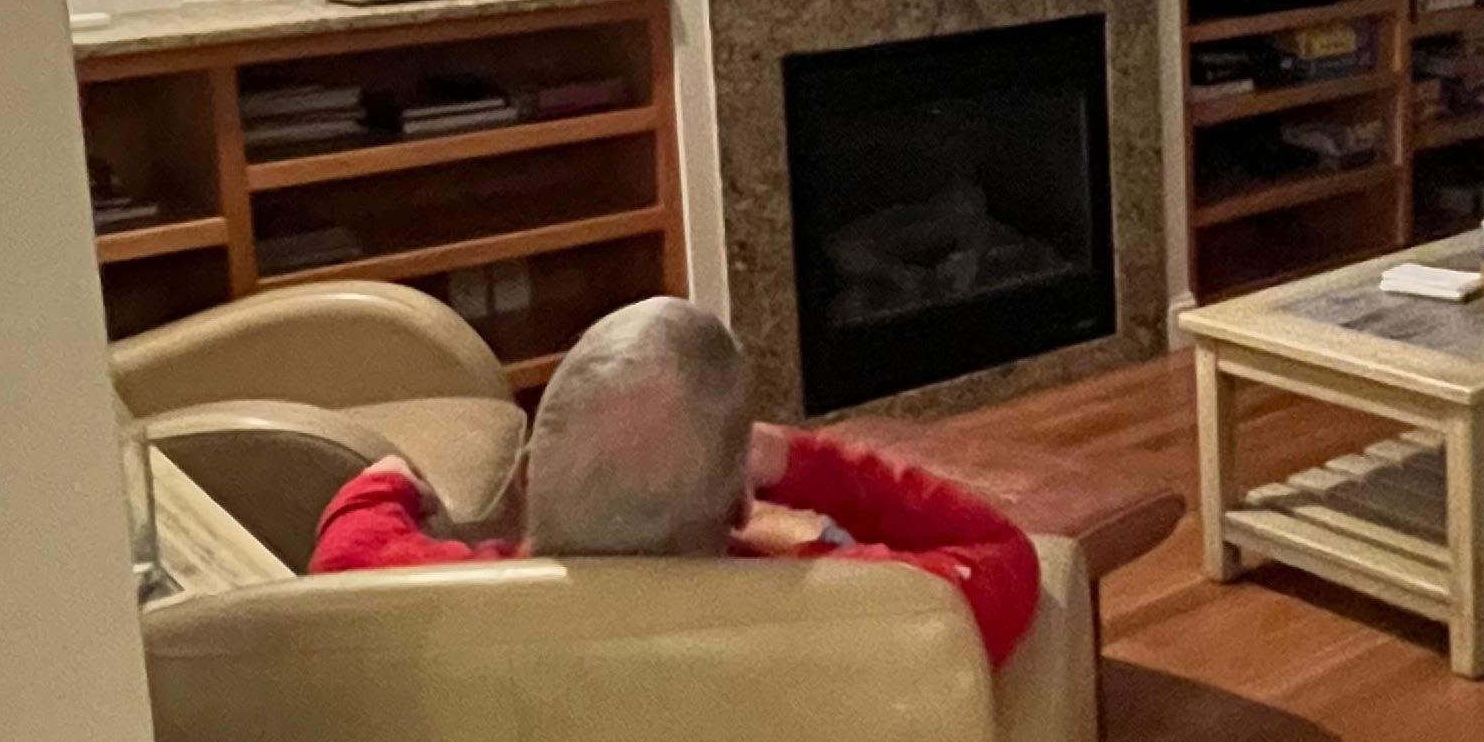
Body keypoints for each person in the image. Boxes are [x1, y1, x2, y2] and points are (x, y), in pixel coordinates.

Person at [307, 294, 1040, 664]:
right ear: (741, 505)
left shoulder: (430, 598)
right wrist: (802, 459)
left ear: (528, 480)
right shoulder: (854, 609)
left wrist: (390, 479)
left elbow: (345, 549)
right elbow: (1002, 551)